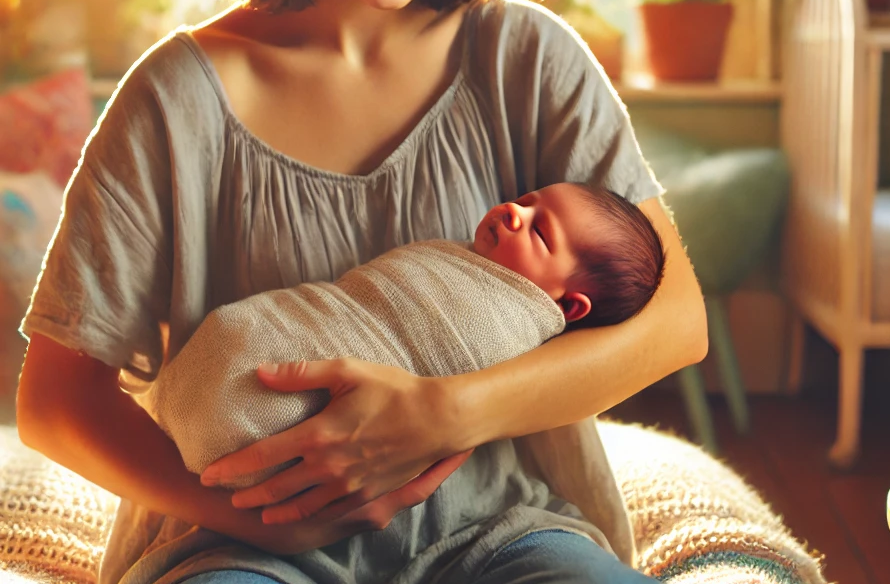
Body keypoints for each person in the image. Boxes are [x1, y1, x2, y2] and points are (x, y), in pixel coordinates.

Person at [16, 0, 707, 584]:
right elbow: (57, 404)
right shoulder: (176, 99)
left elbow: (677, 324)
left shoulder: (528, 62)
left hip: (503, 539)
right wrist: (252, 513)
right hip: (241, 549)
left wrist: (439, 416)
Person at [150, 181, 668, 489]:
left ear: (567, 305)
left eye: (538, 231)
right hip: (255, 343)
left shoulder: (513, 326)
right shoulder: (451, 256)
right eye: (527, 200)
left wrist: (448, 409)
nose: (515, 211)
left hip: (479, 519)